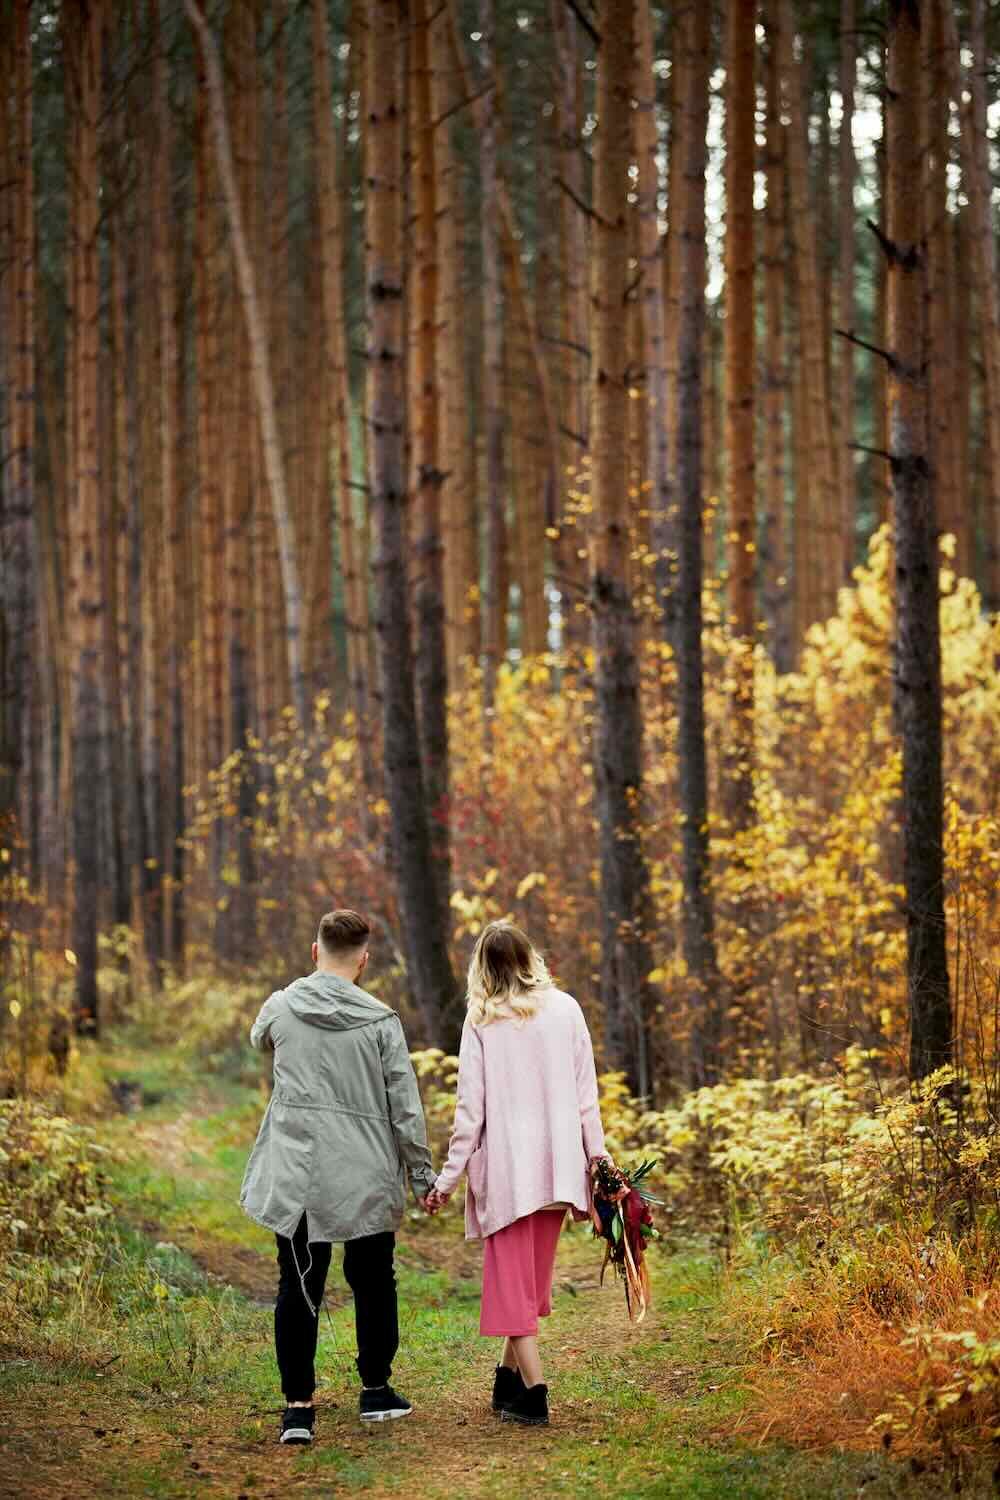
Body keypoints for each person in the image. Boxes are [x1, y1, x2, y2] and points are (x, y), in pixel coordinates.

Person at [240, 909, 437, 1445]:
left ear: (314, 951)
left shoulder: (281, 1007)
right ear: (364, 960)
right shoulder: (381, 1021)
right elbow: (406, 1108)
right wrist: (422, 1175)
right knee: (374, 1280)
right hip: (366, 1172)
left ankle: (298, 1410)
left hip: (298, 1174)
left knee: (299, 1284)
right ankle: (376, 1390)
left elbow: (258, 1039)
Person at [425, 920, 607, 1427]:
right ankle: (507, 1383)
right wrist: (597, 1160)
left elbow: (470, 1114)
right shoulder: (567, 1010)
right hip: (558, 1172)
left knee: (513, 1292)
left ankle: (535, 1392)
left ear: (481, 968)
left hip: (508, 1178)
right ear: (531, 959)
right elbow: (586, 1100)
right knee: (525, 1290)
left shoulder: (481, 1020)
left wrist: (447, 1180)